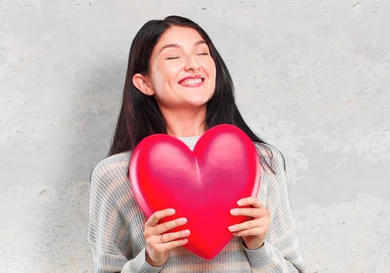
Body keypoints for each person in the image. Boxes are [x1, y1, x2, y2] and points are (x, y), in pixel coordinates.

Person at [87, 15, 307, 273]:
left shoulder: (263, 160)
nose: (193, 65)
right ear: (144, 83)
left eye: (202, 53)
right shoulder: (114, 174)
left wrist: (258, 247)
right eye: (173, 57)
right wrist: (150, 260)